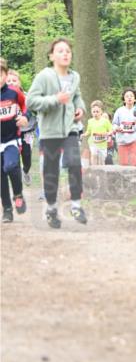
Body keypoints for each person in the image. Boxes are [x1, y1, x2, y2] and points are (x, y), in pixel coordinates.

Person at [26, 37, 87, 228]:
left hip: (70, 129)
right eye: (60, 51)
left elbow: (77, 97)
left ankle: (76, 205)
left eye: (68, 51)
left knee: (75, 164)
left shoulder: (74, 77)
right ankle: (51, 208)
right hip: (49, 132)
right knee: (51, 172)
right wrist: (55, 99)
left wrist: (80, 109)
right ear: (51, 56)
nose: (65, 54)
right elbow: (31, 101)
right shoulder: (44, 77)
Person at [1, 58, 28, 223]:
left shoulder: (14, 92)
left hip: (11, 139)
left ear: (5, 75)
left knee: (10, 166)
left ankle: (18, 194)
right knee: (1, 177)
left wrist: (25, 117)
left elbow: (25, 106)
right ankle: (7, 210)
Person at [6, 69, 35, 184]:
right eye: (8, 81)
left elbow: (30, 110)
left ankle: (26, 171)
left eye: (14, 80)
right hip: (11, 133)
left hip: (27, 131)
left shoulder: (26, 96)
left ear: (19, 82)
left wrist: (25, 117)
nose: (11, 83)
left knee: (27, 156)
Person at [112, 89, 136, 167]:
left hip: (134, 140)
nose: (129, 98)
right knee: (123, 164)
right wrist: (116, 128)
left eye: (131, 96)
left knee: (134, 163)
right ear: (124, 99)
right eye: (127, 96)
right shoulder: (119, 111)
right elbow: (114, 124)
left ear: (135, 99)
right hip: (122, 140)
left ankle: (135, 175)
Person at [83, 101, 113, 167]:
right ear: (91, 112)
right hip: (93, 142)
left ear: (101, 112)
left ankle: (101, 170)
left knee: (102, 160)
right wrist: (84, 134)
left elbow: (111, 130)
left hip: (102, 143)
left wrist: (108, 133)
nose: (95, 113)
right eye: (94, 112)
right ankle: (94, 169)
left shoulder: (105, 121)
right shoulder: (90, 121)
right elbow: (88, 131)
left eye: (97, 112)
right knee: (94, 155)